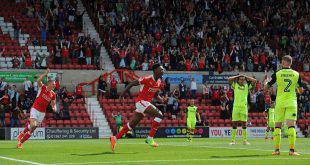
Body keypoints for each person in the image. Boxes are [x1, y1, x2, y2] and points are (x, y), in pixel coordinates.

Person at [110, 64, 165, 151]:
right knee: (160, 115)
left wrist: (161, 100)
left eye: (163, 69)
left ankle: (114, 138)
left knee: (131, 125)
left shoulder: (159, 81)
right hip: (141, 102)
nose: (163, 71)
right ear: (155, 70)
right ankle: (150, 138)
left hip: (145, 104)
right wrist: (122, 94)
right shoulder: (147, 79)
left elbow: (155, 93)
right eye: (161, 69)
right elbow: (132, 83)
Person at [265, 55, 303, 156]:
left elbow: (267, 87)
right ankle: (292, 150)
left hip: (280, 102)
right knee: (291, 126)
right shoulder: (296, 74)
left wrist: (266, 83)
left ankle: (277, 150)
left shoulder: (278, 73)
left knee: (277, 126)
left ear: (283, 62)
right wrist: (296, 90)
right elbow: (300, 90)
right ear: (290, 63)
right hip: (291, 102)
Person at [17, 69, 56, 149]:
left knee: (33, 129)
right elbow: (38, 80)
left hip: (42, 113)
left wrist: (54, 107)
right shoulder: (43, 87)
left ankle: (20, 142)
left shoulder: (53, 94)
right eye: (53, 84)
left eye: (54, 84)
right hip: (35, 109)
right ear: (49, 84)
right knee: (33, 125)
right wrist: (45, 74)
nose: (54, 85)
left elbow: (53, 104)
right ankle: (22, 134)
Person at [228, 74, 256, 145]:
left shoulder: (247, 86)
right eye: (240, 79)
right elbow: (229, 79)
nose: (242, 80)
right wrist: (237, 76)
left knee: (244, 124)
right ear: (238, 79)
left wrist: (246, 76)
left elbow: (254, 81)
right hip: (236, 107)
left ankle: (245, 140)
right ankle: (233, 140)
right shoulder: (235, 85)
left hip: (244, 107)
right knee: (234, 124)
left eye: (243, 79)